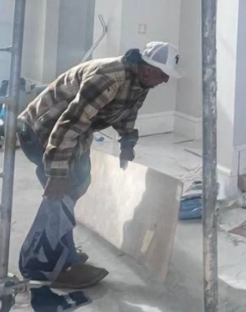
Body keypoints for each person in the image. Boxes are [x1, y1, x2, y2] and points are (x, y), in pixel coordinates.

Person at [17, 41, 179, 292]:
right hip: (41, 131)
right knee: (61, 194)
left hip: (71, 133)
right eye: (163, 75)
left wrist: (127, 143)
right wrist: (57, 173)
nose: (166, 81)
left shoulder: (140, 81)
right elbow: (69, 125)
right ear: (148, 69)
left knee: (80, 182)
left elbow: (127, 112)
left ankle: (62, 251)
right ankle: (54, 266)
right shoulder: (107, 79)